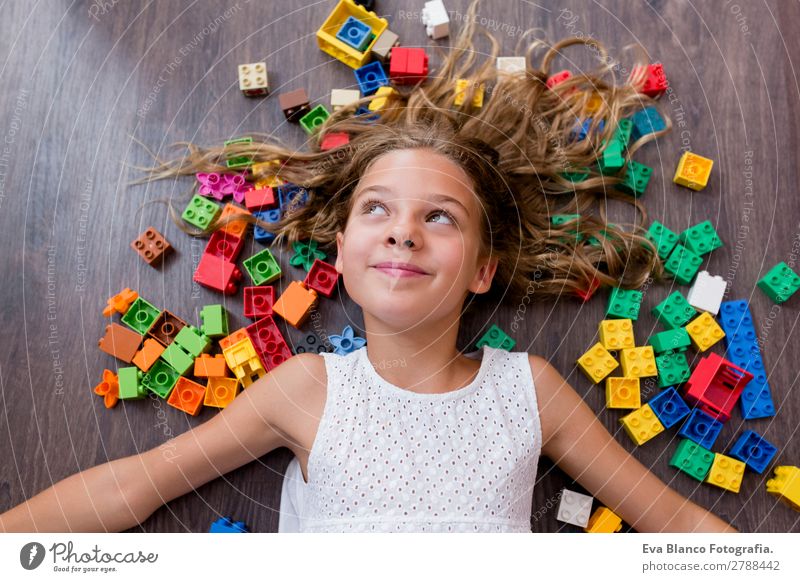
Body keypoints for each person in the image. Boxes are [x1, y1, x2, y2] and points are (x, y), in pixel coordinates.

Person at [0, 1, 736, 533]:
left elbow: (673, 521)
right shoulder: (306, 388)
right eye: (376, 211)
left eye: (439, 216)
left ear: (482, 270)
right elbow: (140, 483)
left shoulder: (532, 391)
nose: (403, 233)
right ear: (344, 256)